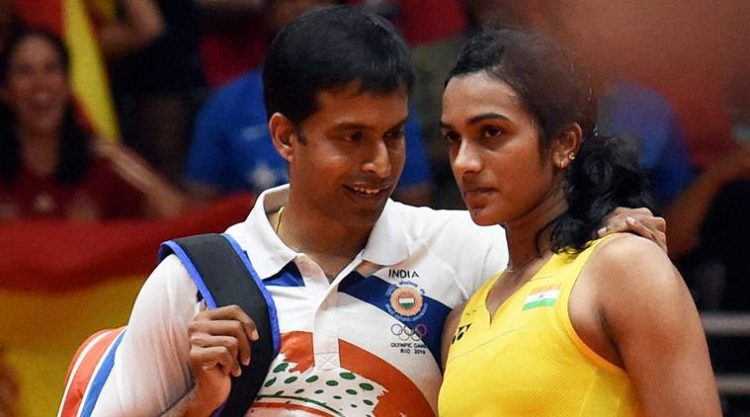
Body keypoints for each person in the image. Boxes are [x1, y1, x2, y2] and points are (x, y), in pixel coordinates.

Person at [88, 7, 666, 416]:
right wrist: (197, 408)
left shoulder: (472, 245)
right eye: (351, 137)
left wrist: (609, 234)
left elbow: (574, 269)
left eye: (393, 135)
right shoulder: (191, 284)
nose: (380, 163)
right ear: (286, 138)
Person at [438, 28, 720, 416]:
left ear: (564, 143)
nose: (464, 162)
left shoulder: (625, 267)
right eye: (453, 138)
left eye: (491, 133)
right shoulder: (460, 322)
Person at [0, 29, 186, 221]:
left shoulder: (103, 160)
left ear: (67, 86)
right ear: (5, 91)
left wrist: (117, 156)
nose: (40, 83)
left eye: (51, 69)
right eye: (24, 71)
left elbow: (177, 214)